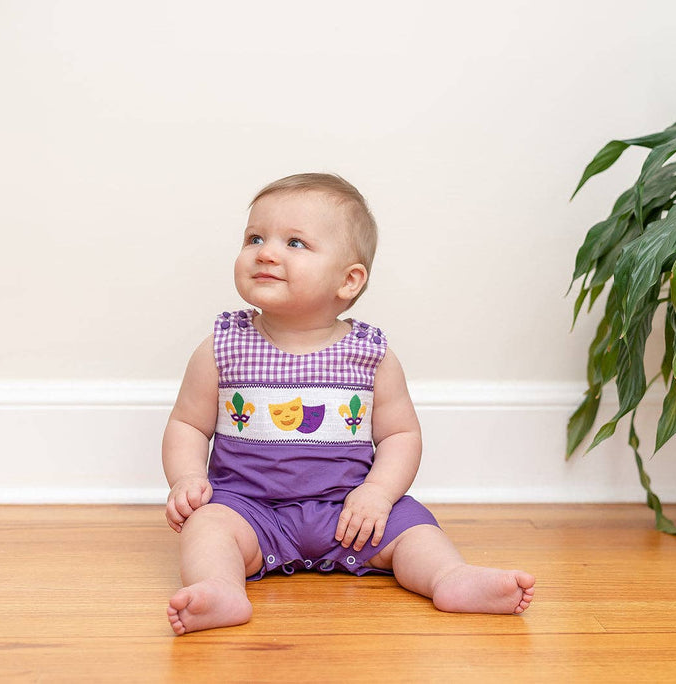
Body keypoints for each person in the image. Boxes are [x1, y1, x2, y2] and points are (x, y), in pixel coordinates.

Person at [163, 173, 535, 635]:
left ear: (349, 280)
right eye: (254, 237)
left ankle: (450, 577)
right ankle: (220, 588)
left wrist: (378, 494)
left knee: (414, 529)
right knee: (209, 526)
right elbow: (188, 424)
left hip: (350, 510)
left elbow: (400, 434)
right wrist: (188, 479)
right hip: (250, 508)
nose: (266, 251)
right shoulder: (223, 346)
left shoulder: (370, 354)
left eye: (295, 242)